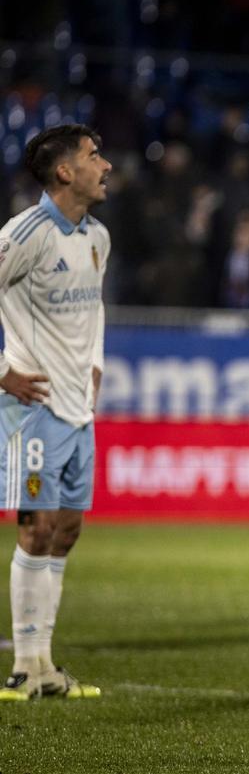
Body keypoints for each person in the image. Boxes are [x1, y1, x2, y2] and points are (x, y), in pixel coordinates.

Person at [0, 124, 111, 701]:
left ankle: (45, 669)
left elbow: (93, 313)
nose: (107, 166)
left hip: (78, 410)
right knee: (36, 527)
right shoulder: (24, 234)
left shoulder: (98, 237)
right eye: (95, 156)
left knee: (65, 531)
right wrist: (3, 373)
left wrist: (95, 365)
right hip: (33, 407)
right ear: (65, 171)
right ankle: (23, 666)